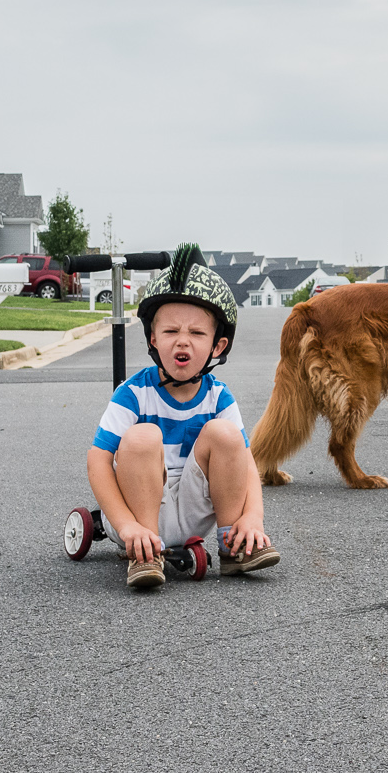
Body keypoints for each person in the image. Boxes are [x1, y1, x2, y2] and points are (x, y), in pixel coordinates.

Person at [86, 245, 278, 590]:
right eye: (171, 332)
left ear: (217, 347)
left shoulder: (219, 395)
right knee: (142, 436)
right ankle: (144, 553)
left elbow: (245, 462)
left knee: (227, 435)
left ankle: (234, 544)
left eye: (196, 333)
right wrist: (125, 525)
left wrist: (253, 516)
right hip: (136, 509)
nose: (182, 342)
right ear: (153, 339)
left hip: (190, 508)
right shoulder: (133, 394)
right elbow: (98, 460)